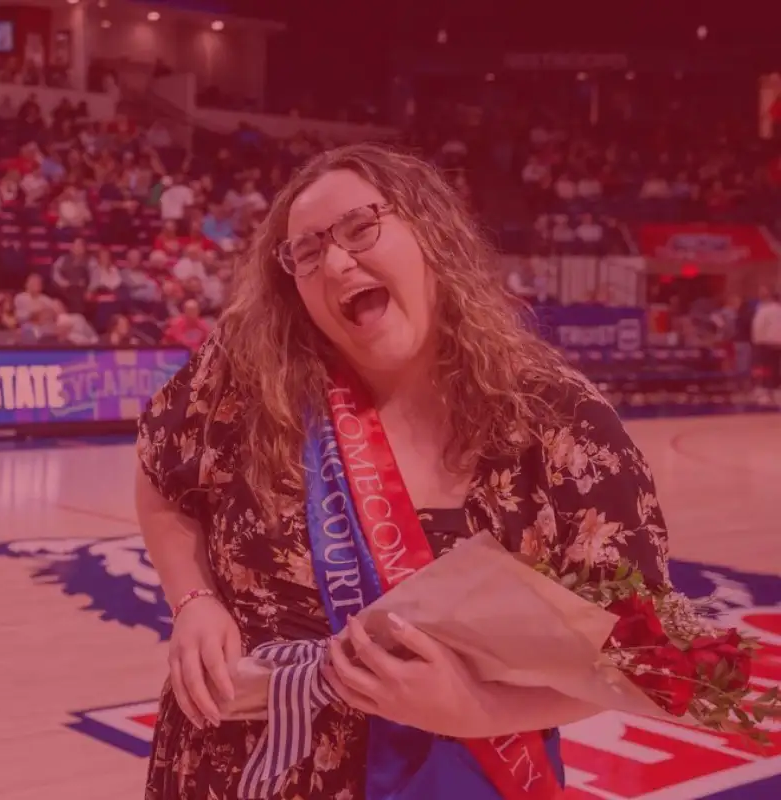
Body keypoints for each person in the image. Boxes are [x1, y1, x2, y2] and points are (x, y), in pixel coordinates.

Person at [136, 144, 675, 800]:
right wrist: (192, 600)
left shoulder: (560, 424)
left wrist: (477, 712)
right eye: (306, 252)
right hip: (235, 769)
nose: (336, 261)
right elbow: (159, 476)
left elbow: (648, 659)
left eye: (360, 228)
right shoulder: (249, 374)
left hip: (460, 775)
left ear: (431, 233)